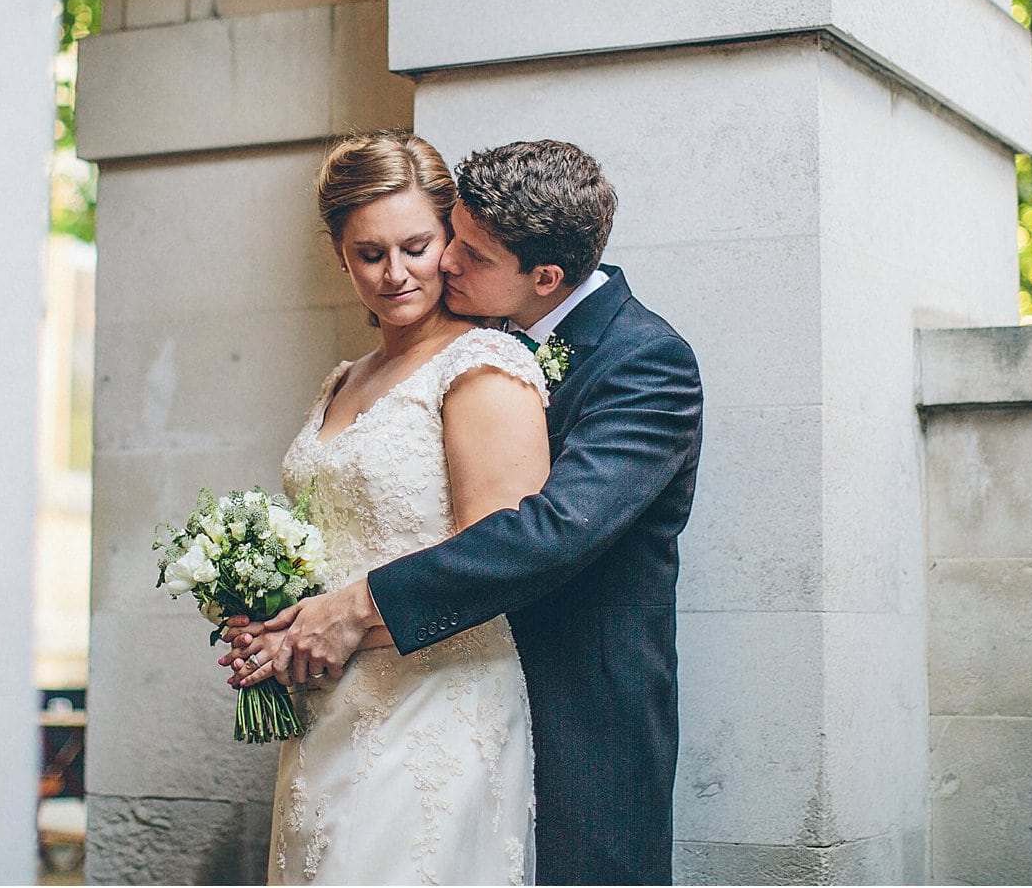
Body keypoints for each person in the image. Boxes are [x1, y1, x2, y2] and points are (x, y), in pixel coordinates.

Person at [230, 139, 705, 886]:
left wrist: (354, 609)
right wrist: (281, 616)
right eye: (447, 237)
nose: (442, 265)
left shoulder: (642, 361)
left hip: (567, 708)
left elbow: (545, 533)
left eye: (461, 252)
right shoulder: (431, 349)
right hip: (360, 699)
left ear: (544, 277)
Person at [243, 130, 549, 886]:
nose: (395, 273)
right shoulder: (344, 378)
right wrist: (272, 620)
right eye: (368, 253)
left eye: (415, 245)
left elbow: (498, 565)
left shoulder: (481, 365)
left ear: (451, 235)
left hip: (434, 706)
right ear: (339, 254)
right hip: (324, 714)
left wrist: (340, 621)